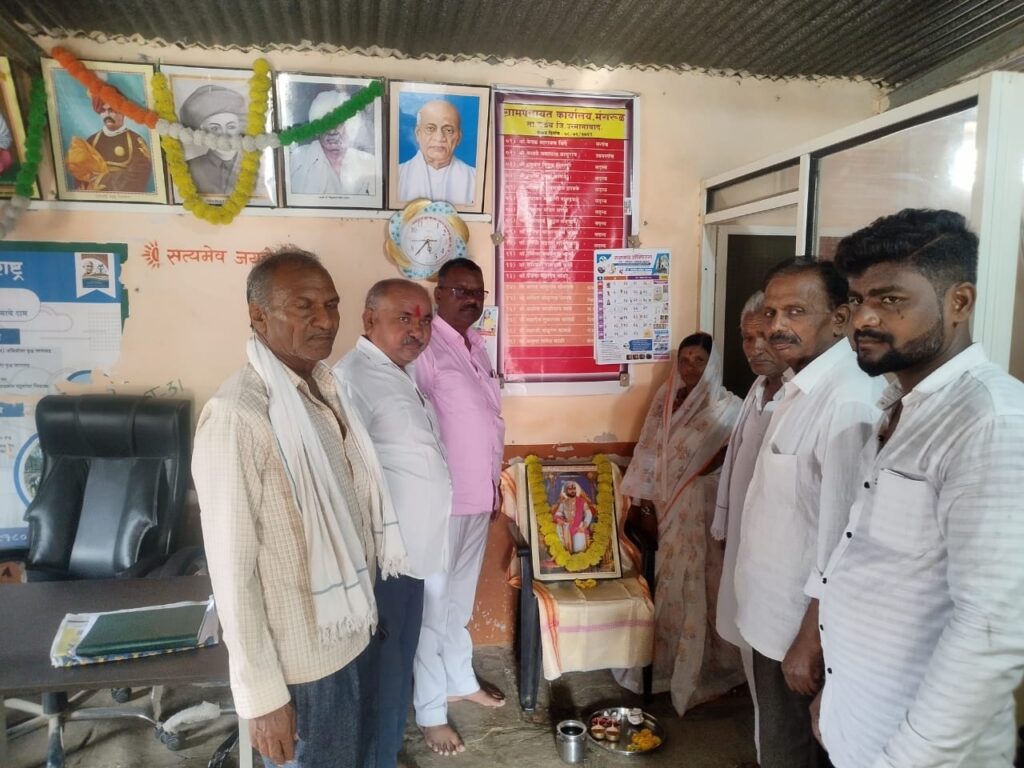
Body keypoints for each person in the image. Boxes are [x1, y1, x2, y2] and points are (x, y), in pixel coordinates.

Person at [816, 209, 1024, 767]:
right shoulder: (900, 407)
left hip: (921, 750)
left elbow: (992, 630)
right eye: (857, 299)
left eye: (890, 300)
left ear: (959, 302)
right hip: (863, 719)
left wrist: (907, 758)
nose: (863, 318)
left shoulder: (992, 420)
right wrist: (836, 700)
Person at [193, 248, 407, 768]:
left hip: (353, 631)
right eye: (304, 306)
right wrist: (263, 697)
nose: (326, 320)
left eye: (331, 305)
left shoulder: (326, 387)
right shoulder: (238, 416)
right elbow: (232, 574)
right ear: (258, 315)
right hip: (301, 666)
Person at [733, 259, 883, 768]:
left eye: (795, 311)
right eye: (771, 312)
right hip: (772, 618)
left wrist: (809, 642)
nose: (777, 326)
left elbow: (847, 541)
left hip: (798, 634)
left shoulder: (848, 402)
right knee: (778, 745)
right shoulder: (799, 388)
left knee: (792, 753)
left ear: (840, 319)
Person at [335, 279, 452, 768]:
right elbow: (345, 471)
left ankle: (384, 751)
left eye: (425, 320)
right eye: (404, 318)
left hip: (415, 555)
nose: (417, 330)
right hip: (385, 558)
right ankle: (375, 757)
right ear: (370, 320)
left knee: (398, 665)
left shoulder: (398, 372)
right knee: (381, 672)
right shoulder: (352, 378)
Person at [613, 332, 744, 716]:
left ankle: (703, 668)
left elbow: (733, 462)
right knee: (663, 584)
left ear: (712, 365)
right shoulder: (666, 400)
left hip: (700, 511)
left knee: (699, 585)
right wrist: (644, 506)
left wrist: (697, 481)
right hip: (663, 511)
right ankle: (662, 666)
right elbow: (647, 453)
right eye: (685, 359)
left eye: (699, 360)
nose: (690, 367)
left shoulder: (729, 408)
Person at [413, 257, 505, 755]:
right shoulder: (426, 349)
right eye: (460, 290)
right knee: (433, 609)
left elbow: (487, 423)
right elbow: (415, 424)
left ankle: (459, 681)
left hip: (477, 498)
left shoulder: (476, 346)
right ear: (439, 294)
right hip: (440, 503)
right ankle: (430, 712)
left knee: (459, 604)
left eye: (478, 292)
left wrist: (493, 486)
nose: (471, 298)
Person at [710, 291, 788, 760]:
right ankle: (764, 753)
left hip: (781, 572)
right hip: (744, 551)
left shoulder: (806, 398)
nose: (756, 348)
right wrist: (723, 531)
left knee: (782, 690)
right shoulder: (758, 390)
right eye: (747, 337)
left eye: (767, 336)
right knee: (755, 668)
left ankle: (770, 754)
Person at [289, 90, 375, 197]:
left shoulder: (369, 163)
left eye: (338, 124)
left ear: (349, 125)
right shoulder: (297, 160)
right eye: (325, 126)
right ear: (316, 129)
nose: (332, 132)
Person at [65, 95, 152, 192]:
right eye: (103, 111)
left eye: (111, 110)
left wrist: (103, 179)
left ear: (122, 112)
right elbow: (81, 176)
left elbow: (139, 175)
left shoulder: (136, 141)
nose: (107, 115)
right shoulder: (91, 140)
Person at [398, 99, 475, 205]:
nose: (439, 137)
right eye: (430, 128)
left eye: (448, 130)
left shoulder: (475, 179)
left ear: (459, 137)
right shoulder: (397, 176)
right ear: (418, 134)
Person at [179, 84, 246, 195]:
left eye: (231, 127)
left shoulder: (256, 166)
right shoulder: (189, 168)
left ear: (239, 128)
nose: (224, 135)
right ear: (202, 132)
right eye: (215, 128)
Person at [552, 480, 596, 554]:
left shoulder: (582, 502)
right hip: (567, 527)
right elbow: (557, 514)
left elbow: (588, 514)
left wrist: (584, 527)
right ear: (565, 491)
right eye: (570, 489)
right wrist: (560, 521)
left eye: (574, 489)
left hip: (579, 527)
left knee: (578, 549)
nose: (572, 491)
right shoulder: (563, 503)